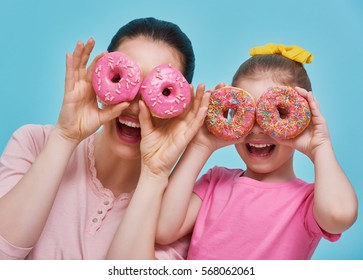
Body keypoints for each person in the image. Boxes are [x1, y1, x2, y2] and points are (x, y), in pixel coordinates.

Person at [0, 17, 210, 260]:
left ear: (181, 107)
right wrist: (65, 137)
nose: (135, 105)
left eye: (160, 91)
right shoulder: (35, 144)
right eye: (122, 80)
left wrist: (154, 176)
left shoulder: (173, 216)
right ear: (100, 78)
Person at [154, 43, 358, 259]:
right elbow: (162, 230)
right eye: (247, 113)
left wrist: (320, 146)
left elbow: (339, 215)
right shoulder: (216, 182)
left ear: (302, 119)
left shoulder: (307, 202)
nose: (258, 128)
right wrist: (200, 146)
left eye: (276, 112)